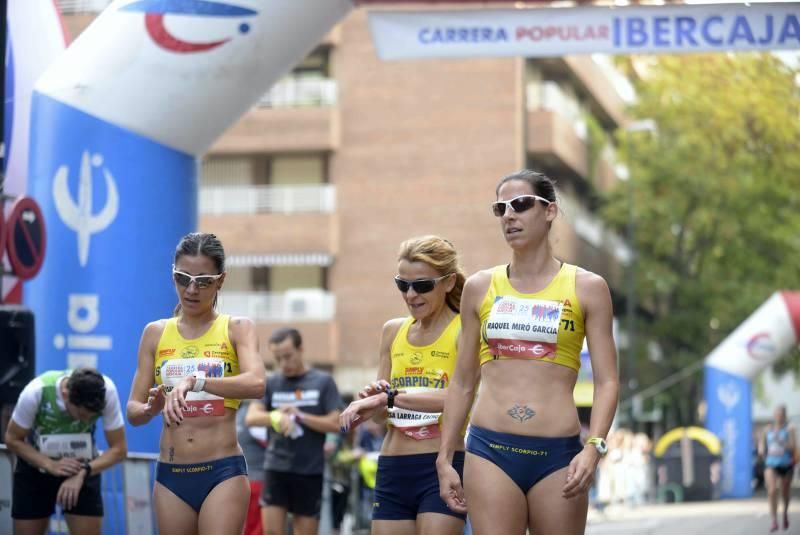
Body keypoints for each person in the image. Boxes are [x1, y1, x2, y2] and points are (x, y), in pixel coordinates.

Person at [436, 170, 619, 535]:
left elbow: (609, 380)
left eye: (520, 204)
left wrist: (595, 446)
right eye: (500, 208)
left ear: (549, 211)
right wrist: (445, 457)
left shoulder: (588, 287)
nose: (509, 215)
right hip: (491, 449)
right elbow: (462, 382)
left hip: (559, 456)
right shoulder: (479, 286)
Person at [126, 232, 265, 535]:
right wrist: (151, 407)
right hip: (172, 474)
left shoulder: (237, 328)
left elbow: (256, 383)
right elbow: (133, 412)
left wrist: (198, 382)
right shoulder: (155, 332)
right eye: (182, 278)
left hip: (222, 471)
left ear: (221, 280)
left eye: (203, 281)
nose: (191, 289)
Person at [339, 235, 467, 535]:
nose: (411, 295)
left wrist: (389, 398)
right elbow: (385, 412)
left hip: (442, 464)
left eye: (422, 286)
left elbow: (461, 395)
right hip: (393, 465)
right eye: (402, 285)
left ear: (448, 283)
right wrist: (372, 406)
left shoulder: (464, 329)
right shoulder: (392, 331)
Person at [5, 367, 127, 535]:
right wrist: (49, 464)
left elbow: (119, 450)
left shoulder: (106, 391)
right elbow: (12, 439)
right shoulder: (36, 391)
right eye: (81, 414)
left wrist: (84, 472)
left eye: (93, 416)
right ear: (65, 394)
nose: (87, 420)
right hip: (35, 469)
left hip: (82, 468)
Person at [246, 327, 342, 535]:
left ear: (301, 349)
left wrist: (301, 416)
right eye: (278, 358)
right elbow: (251, 418)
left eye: (288, 356)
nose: (283, 364)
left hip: (309, 471)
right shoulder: (271, 383)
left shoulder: (322, 382)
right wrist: (275, 417)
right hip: (276, 468)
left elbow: (336, 423)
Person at [759, 404, 796, 532]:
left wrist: (781, 442)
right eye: (777, 414)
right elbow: (761, 444)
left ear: (785, 416)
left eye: (781, 415)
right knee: (772, 490)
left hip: (786, 464)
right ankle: (774, 520)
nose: (778, 417)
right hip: (771, 464)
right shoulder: (767, 429)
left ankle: (785, 513)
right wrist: (761, 449)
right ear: (774, 415)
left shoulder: (790, 428)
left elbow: (793, 447)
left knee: (785, 492)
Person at [237, 400, 268, 535]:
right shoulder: (255, 415)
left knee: (248, 527)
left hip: (242, 479)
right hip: (258, 481)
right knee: (256, 529)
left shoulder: (236, 414)